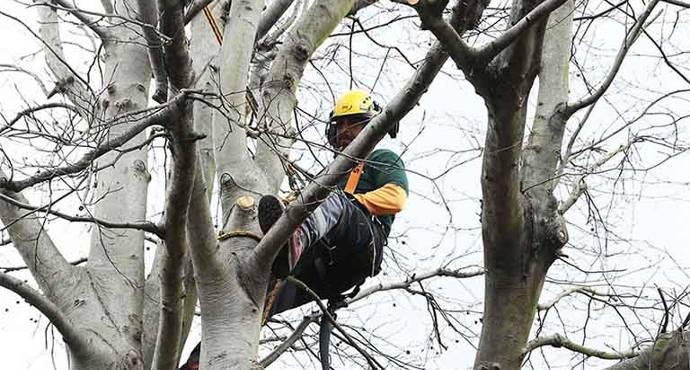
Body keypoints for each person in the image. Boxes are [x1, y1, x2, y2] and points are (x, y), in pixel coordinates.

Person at [260, 89, 408, 316]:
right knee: (259, 294)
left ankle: (296, 237)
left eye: (352, 124)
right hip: (321, 263)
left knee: (331, 199)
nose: (343, 131)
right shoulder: (329, 175)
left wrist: (351, 201)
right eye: (339, 125)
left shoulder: (381, 158)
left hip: (360, 247)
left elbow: (396, 197)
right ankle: (209, 348)